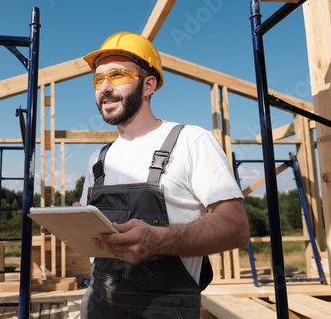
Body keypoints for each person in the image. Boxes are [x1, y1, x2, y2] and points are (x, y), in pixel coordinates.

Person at [77, 31, 250, 318]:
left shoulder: (190, 140)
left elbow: (236, 229)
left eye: (117, 75)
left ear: (148, 85)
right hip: (98, 305)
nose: (104, 87)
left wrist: (158, 240)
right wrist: (74, 223)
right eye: (98, 79)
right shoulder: (99, 160)